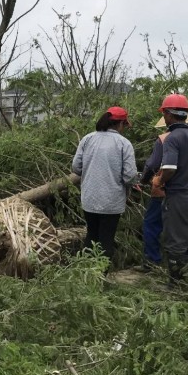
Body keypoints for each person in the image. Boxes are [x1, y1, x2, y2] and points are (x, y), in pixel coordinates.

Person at [155, 94, 188, 287]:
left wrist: (160, 181)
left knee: (175, 240)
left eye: (164, 114)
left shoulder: (172, 138)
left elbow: (169, 168)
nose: (164, 118)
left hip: (179, 195)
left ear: (169, 114)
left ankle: (175, 284)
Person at [72, 106, 138, 264]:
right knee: (106, 239)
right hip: (111, 201)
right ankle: (100, 277)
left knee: (92, 235)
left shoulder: (88, 139)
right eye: (125, 126)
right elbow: (130, 176)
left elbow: (76, 167)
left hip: (89, 198)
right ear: (120, 124)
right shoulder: (124, 144)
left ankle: (86, 273)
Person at [139, 111, 188, 272]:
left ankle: (153, 261)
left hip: (165, 191)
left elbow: (153, 164)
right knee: (185, 228)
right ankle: (186, 264)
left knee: (152, 224)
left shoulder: (165, 139)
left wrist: (144, 180)